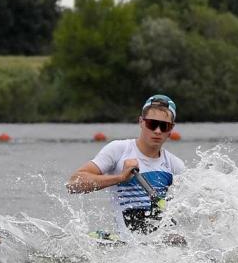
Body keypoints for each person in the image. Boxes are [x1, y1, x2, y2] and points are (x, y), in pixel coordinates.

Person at [67, 94, 185, 233]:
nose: (157, 131)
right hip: (125, 243)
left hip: (156, 241)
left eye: (164, 126)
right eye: (152, 124)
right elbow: (73, 184)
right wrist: (120, 177)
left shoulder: (175, 165)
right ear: (141, 122)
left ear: (171, 129)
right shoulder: (118, 150)